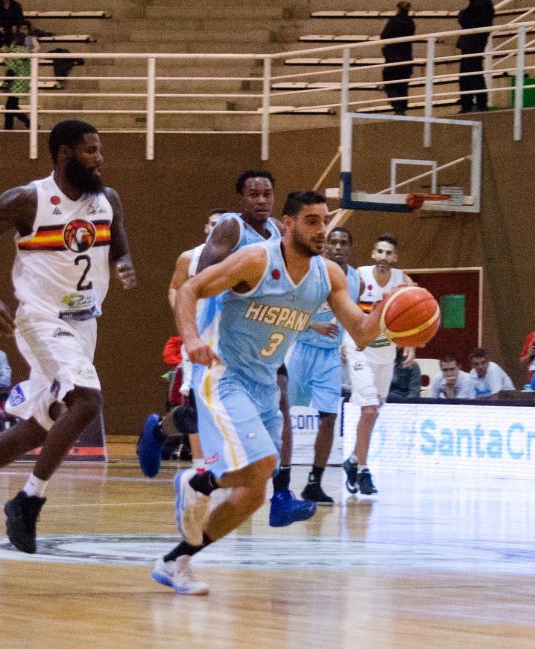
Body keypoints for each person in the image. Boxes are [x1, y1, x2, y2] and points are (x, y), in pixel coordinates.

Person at [156, 190, 390, 595]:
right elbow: (190, 289)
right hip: (224, 372)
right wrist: (191, 339)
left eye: (325, 221)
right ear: (288, 224)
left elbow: (362, 333)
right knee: (263, 460)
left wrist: (393, 309)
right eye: (312, 221)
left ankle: (176, 561)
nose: (322, 230)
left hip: (264, 382)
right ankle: (198, 483)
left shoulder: (329, 275)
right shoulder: (256, 260)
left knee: (253, 494)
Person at [0, 120, 137, 554]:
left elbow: (119, 246)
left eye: (100, 150)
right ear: (64, 153)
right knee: (87, 401)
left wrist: (124, 264)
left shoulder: (108, 200)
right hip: (41, 319)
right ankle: (27, 500)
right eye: (91, 151)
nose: (99, 159)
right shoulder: (27, 199)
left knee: (44, 422)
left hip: (84, 324)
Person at [188, 170, 314, 526]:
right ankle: (158, 433)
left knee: (280, 399)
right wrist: (240, 277)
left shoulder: (278, 231)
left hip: (262, 333)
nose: (261, 200)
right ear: (241, 198)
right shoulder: (231, 228)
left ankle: (282, 495)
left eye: (267, 193)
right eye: (253, 194)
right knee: (196, 407)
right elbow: (200, 278)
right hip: (221, 329)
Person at [136, 208, 227, 478]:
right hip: (199, 340)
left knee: (222, 406)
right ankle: (200, 466)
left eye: (223, 225)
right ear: (206, 227)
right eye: (213, 224)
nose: (217, 228)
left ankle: (160, 432)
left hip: (229, 342)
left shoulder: (241, 258)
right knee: (196, 406)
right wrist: (185, 322)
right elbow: (175, 288)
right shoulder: (191, 257)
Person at [287, 225, 362, 505]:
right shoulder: (309, 271)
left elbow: (352, 318)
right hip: (301, 350)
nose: (338, 247)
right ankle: (278, 476)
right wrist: (313, 325)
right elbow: (288, 310)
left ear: (350, 248)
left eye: (344, 242)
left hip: (329, 357)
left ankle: (314, 483)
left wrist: (351, 341)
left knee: (329, 418)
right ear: (326, 246)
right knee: (282, 415)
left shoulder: (355, 279)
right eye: (334, 242)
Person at [343, 233, 414, 496]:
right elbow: (343, 306)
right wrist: (342, 340)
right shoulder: (360, 276)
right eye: (380, 251)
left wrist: (411, 344)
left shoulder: (402, 281)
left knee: (372, 413)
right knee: (369, 410)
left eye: (388, 253)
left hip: (386, 354)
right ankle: (363, 470)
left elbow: (416, 315)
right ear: (373, 254)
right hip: (360, 349)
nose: (384, 257)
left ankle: (354, 459)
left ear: (395, 257)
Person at [455, 0, 494, 113]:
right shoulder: (483, 4)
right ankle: (475, 103)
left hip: (472, 43)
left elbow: (465, 19)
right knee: (470, 75)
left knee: (470, 75)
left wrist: (462, 15)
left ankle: (472, 104)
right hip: (474, 43)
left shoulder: (479, 4)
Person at [380, 1, 415, 115]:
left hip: (393, 58)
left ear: (398, 9)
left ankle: (397, 106)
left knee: (391, 83)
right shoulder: (410, 22)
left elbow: (384, 36)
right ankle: (402, 107)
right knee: (403, 84)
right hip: (406, 58)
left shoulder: (393, 21)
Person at [1, 28, 30, 130]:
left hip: (14, 83)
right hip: (22, 82)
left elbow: (11, 69)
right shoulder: (25, 52)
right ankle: (9, 128)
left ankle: (27, 122)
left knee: (10, 107)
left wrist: (6, 83)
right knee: (11, 106)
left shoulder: (13, 53)